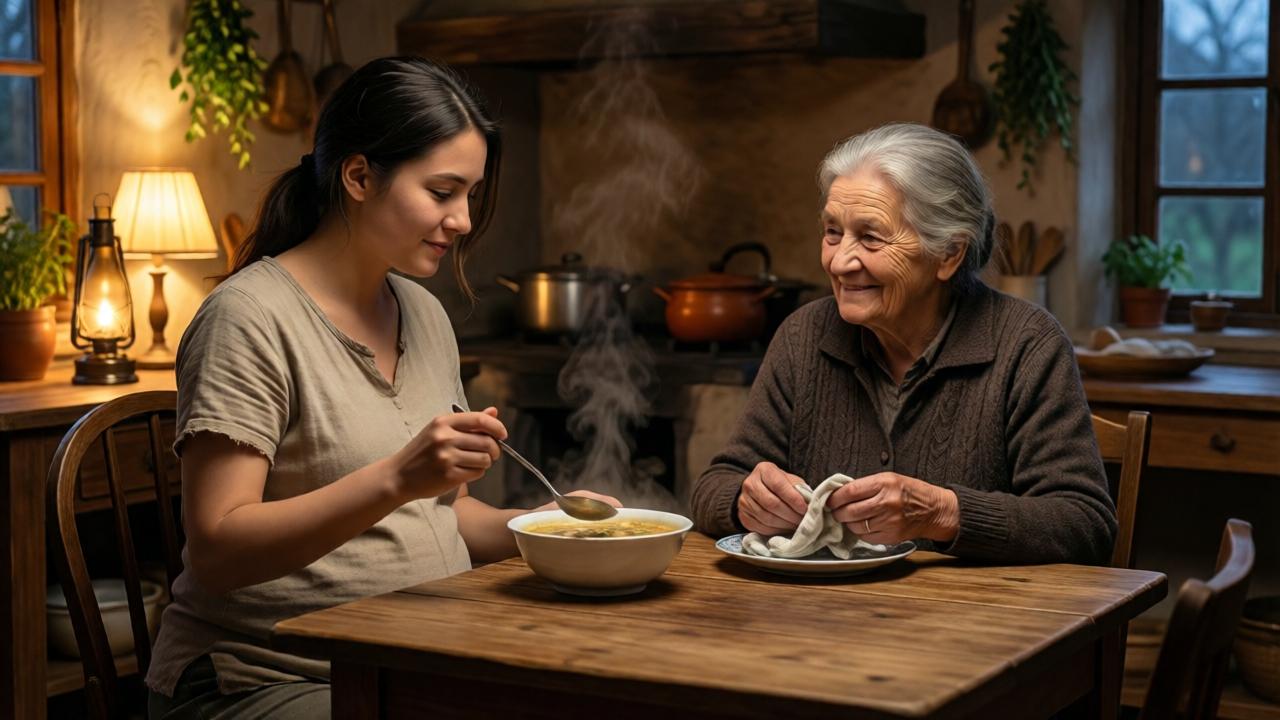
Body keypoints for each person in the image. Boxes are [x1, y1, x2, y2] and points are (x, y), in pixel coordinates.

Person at [146, 56, 616, 719]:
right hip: (266, 675)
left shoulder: (422, 312)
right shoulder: (247, 319)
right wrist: (396, 477)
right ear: (360, 176)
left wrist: (543, 527)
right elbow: (219, 550)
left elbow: (444, 516)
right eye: (442, 191)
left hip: (409, 662)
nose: (461, 220)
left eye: (471, 195)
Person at [691, 122, 1115, 565]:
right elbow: (713, 485)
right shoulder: (804, 335)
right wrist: (745, 499)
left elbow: (1085, 523)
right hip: (818, 618)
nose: (839, 261)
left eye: (871, 237)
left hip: (975, 621)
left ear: (949, 253)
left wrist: (940, 513)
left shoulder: (1026, 344)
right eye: (832, 232)